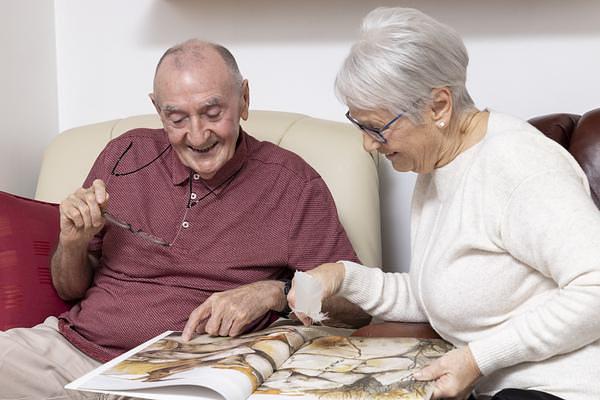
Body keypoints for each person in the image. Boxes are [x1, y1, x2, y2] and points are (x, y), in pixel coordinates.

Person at [0, 39, 369, 399]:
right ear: (158, 110)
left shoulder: (292, 183)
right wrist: (73, 242)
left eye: (212, 113)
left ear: (243, 99)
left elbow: (356, 308)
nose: (197, 135)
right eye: (177, 118)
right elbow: (69, 289)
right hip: (73, 352)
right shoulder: (124, 152)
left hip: (187, 371)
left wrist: (279, 293)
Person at [288, 7, 600, 400]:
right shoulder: (437, 166)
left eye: (377, 128)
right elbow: (439, 296)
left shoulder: (518, 163)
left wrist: (478, 359)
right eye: (359, 125)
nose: (368, 144)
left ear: (439, 107)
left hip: (560, 388)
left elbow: (596, 285)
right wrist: (341, 276)